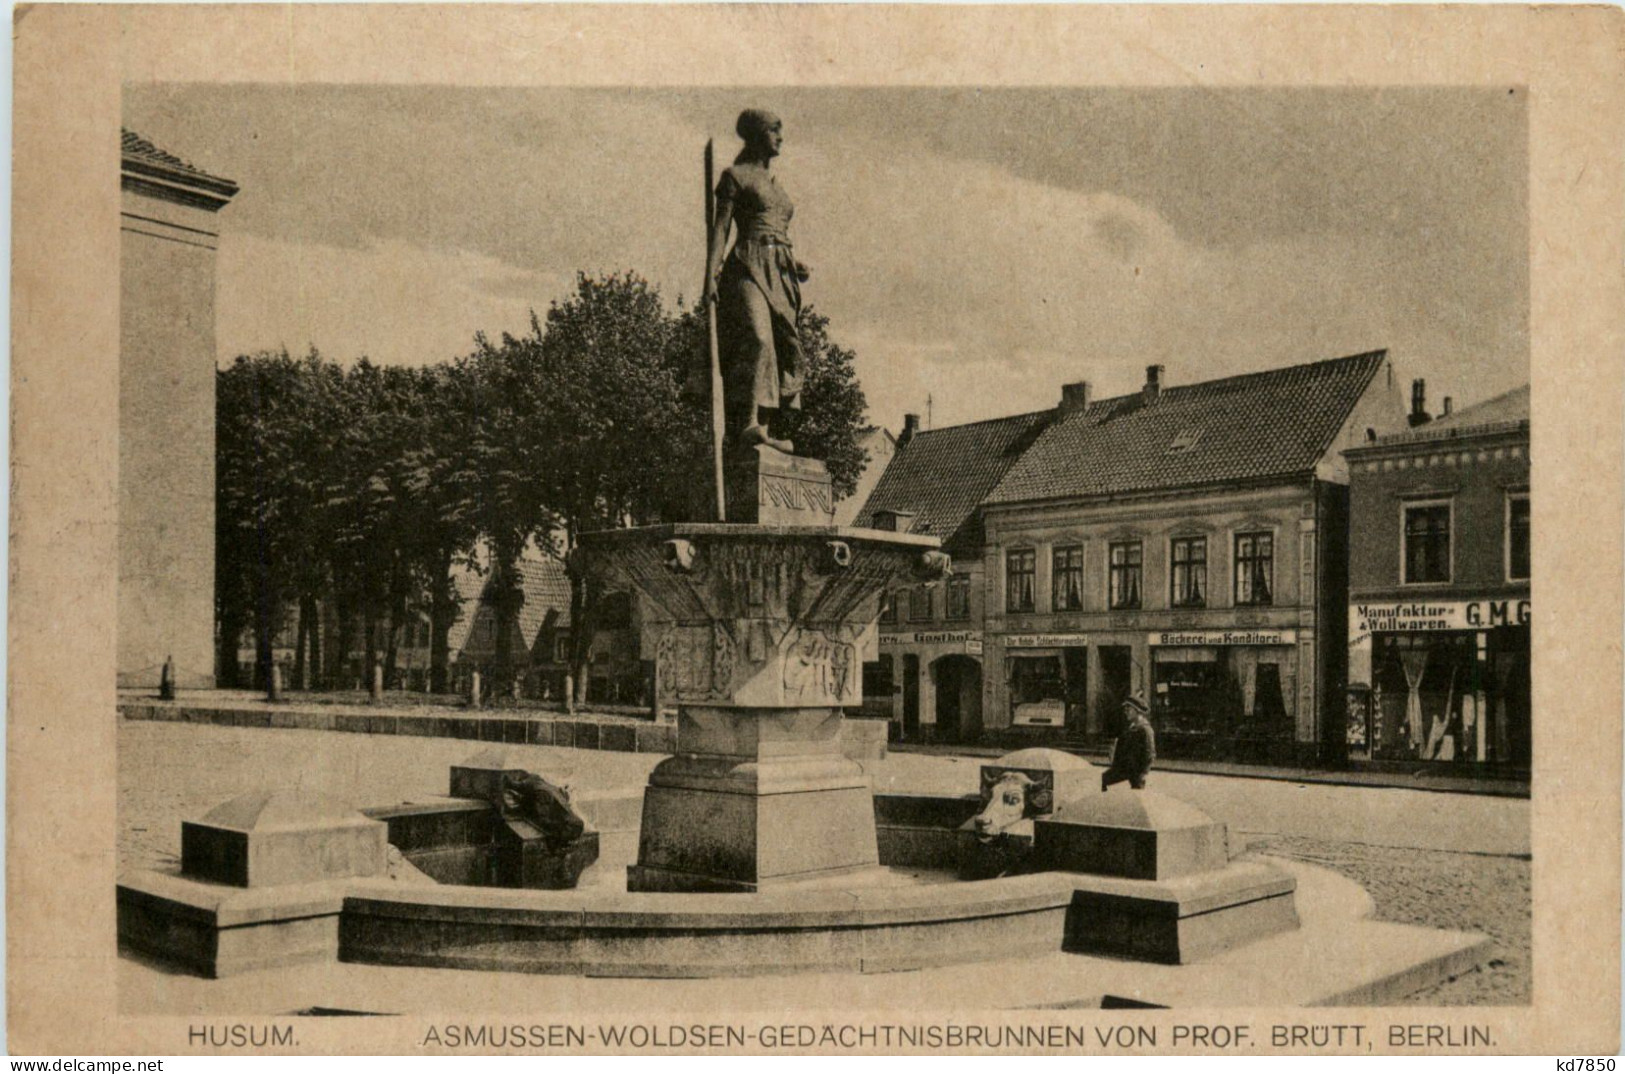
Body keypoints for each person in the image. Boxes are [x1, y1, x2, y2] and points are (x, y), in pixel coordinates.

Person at [702, 108, 809, 454]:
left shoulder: (777, 187)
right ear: (756, 134)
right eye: (775, 130)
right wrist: (709, 277)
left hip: (781, 274)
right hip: (747, 265)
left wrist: (795, 264)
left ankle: (764, 427)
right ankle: (747, 423)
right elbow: (720, 229)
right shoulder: (736, 176)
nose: (781, 137)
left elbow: (778, 232)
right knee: (759, 339)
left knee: (780, 350)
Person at [1102, 693, 1156, 791]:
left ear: (1137, 711)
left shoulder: (1145, 730)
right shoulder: (1131, 727)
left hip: (1134, 775)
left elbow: (1150, 754)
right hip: (1123, 770)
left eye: (1129, 709)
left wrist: (1142, 774)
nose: (1125, 712)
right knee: (1103, 779)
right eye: (1125, 710)